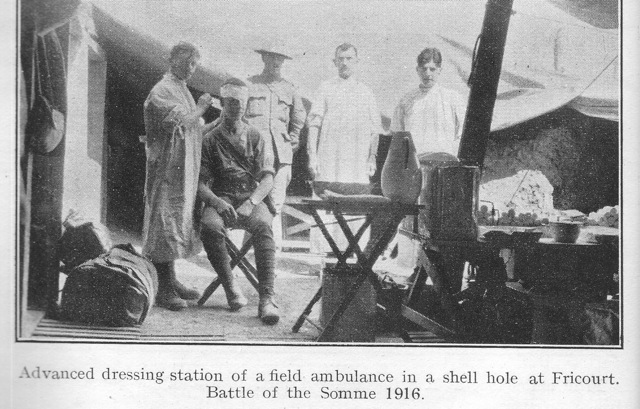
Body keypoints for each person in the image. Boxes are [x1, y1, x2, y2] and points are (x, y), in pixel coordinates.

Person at [198, 79, 280, 325]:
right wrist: (217, 202)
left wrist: (252, 202)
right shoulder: (210, 139)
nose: (239, 107)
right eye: (233, 102)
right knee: (210, 227)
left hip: (249, 196)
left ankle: (267, 298)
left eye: (243, 102)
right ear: (222, 103)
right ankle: (231, 285)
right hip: (221, 195)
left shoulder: (256, 136)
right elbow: (200, 184)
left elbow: (267, 179)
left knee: (264, 227)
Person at [142, 41, 213, 311]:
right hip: (166, 169)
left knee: (175, 223)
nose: (191, 69)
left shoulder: (180, 88)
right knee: (164, 223)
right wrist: (204, 107)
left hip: (182, 169)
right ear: (172, 60)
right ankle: (163, 287)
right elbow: (182, 122)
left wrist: (216, 122)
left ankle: (170, 279)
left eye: (194, 64)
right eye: (187, 63)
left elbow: (193, 129)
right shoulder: (162, 90)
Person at [245, 46, 306, 249]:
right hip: (252, 154)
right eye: (272, 57)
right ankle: (241, 255)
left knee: (275, 204)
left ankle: (270, 254)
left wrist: (293, 139)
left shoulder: (290, 88)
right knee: (248, 201)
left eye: (280, 58)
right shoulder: (250, 84)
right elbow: (240, 116)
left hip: (281, 154)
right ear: (263, 58)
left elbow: (299, 117)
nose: (276, 62)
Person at [307, 43, 381, 183]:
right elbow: (314, 125)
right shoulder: (325, 88)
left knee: (354, 200)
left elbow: (374, 130)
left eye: (349, 58)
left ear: (357, 61)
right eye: (340, 59)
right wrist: (313, 156)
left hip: (357, 159)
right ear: (335, 62)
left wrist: (372, 158)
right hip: (329, 157)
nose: (344, 63)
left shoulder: (366, 92)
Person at [391, 47, 466, 158]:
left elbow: (463, 134)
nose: (428, 73)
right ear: (417, 70)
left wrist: (452, 154)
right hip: (415, 163)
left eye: (432, 69)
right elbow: (397, 134)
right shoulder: (406, 101)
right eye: (424, 69)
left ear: (440, 70)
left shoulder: (452, 98)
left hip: (445, 162)